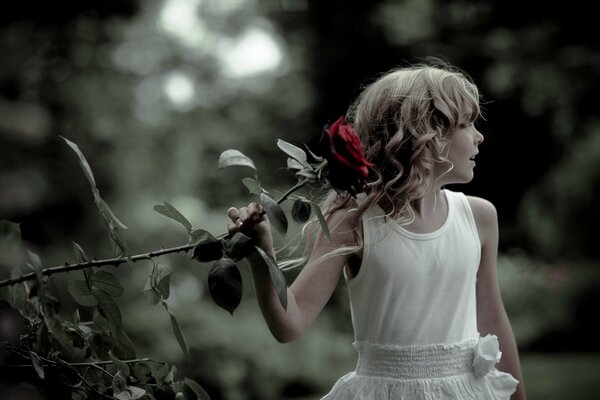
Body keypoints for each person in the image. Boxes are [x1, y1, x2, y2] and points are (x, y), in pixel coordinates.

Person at [226, 61, 527, 399]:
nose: (479, 136)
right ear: (428, 134)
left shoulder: (480, 217)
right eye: (467, 124)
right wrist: (261, 256)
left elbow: (493, 320)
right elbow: (290, 324)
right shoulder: (351, 220)